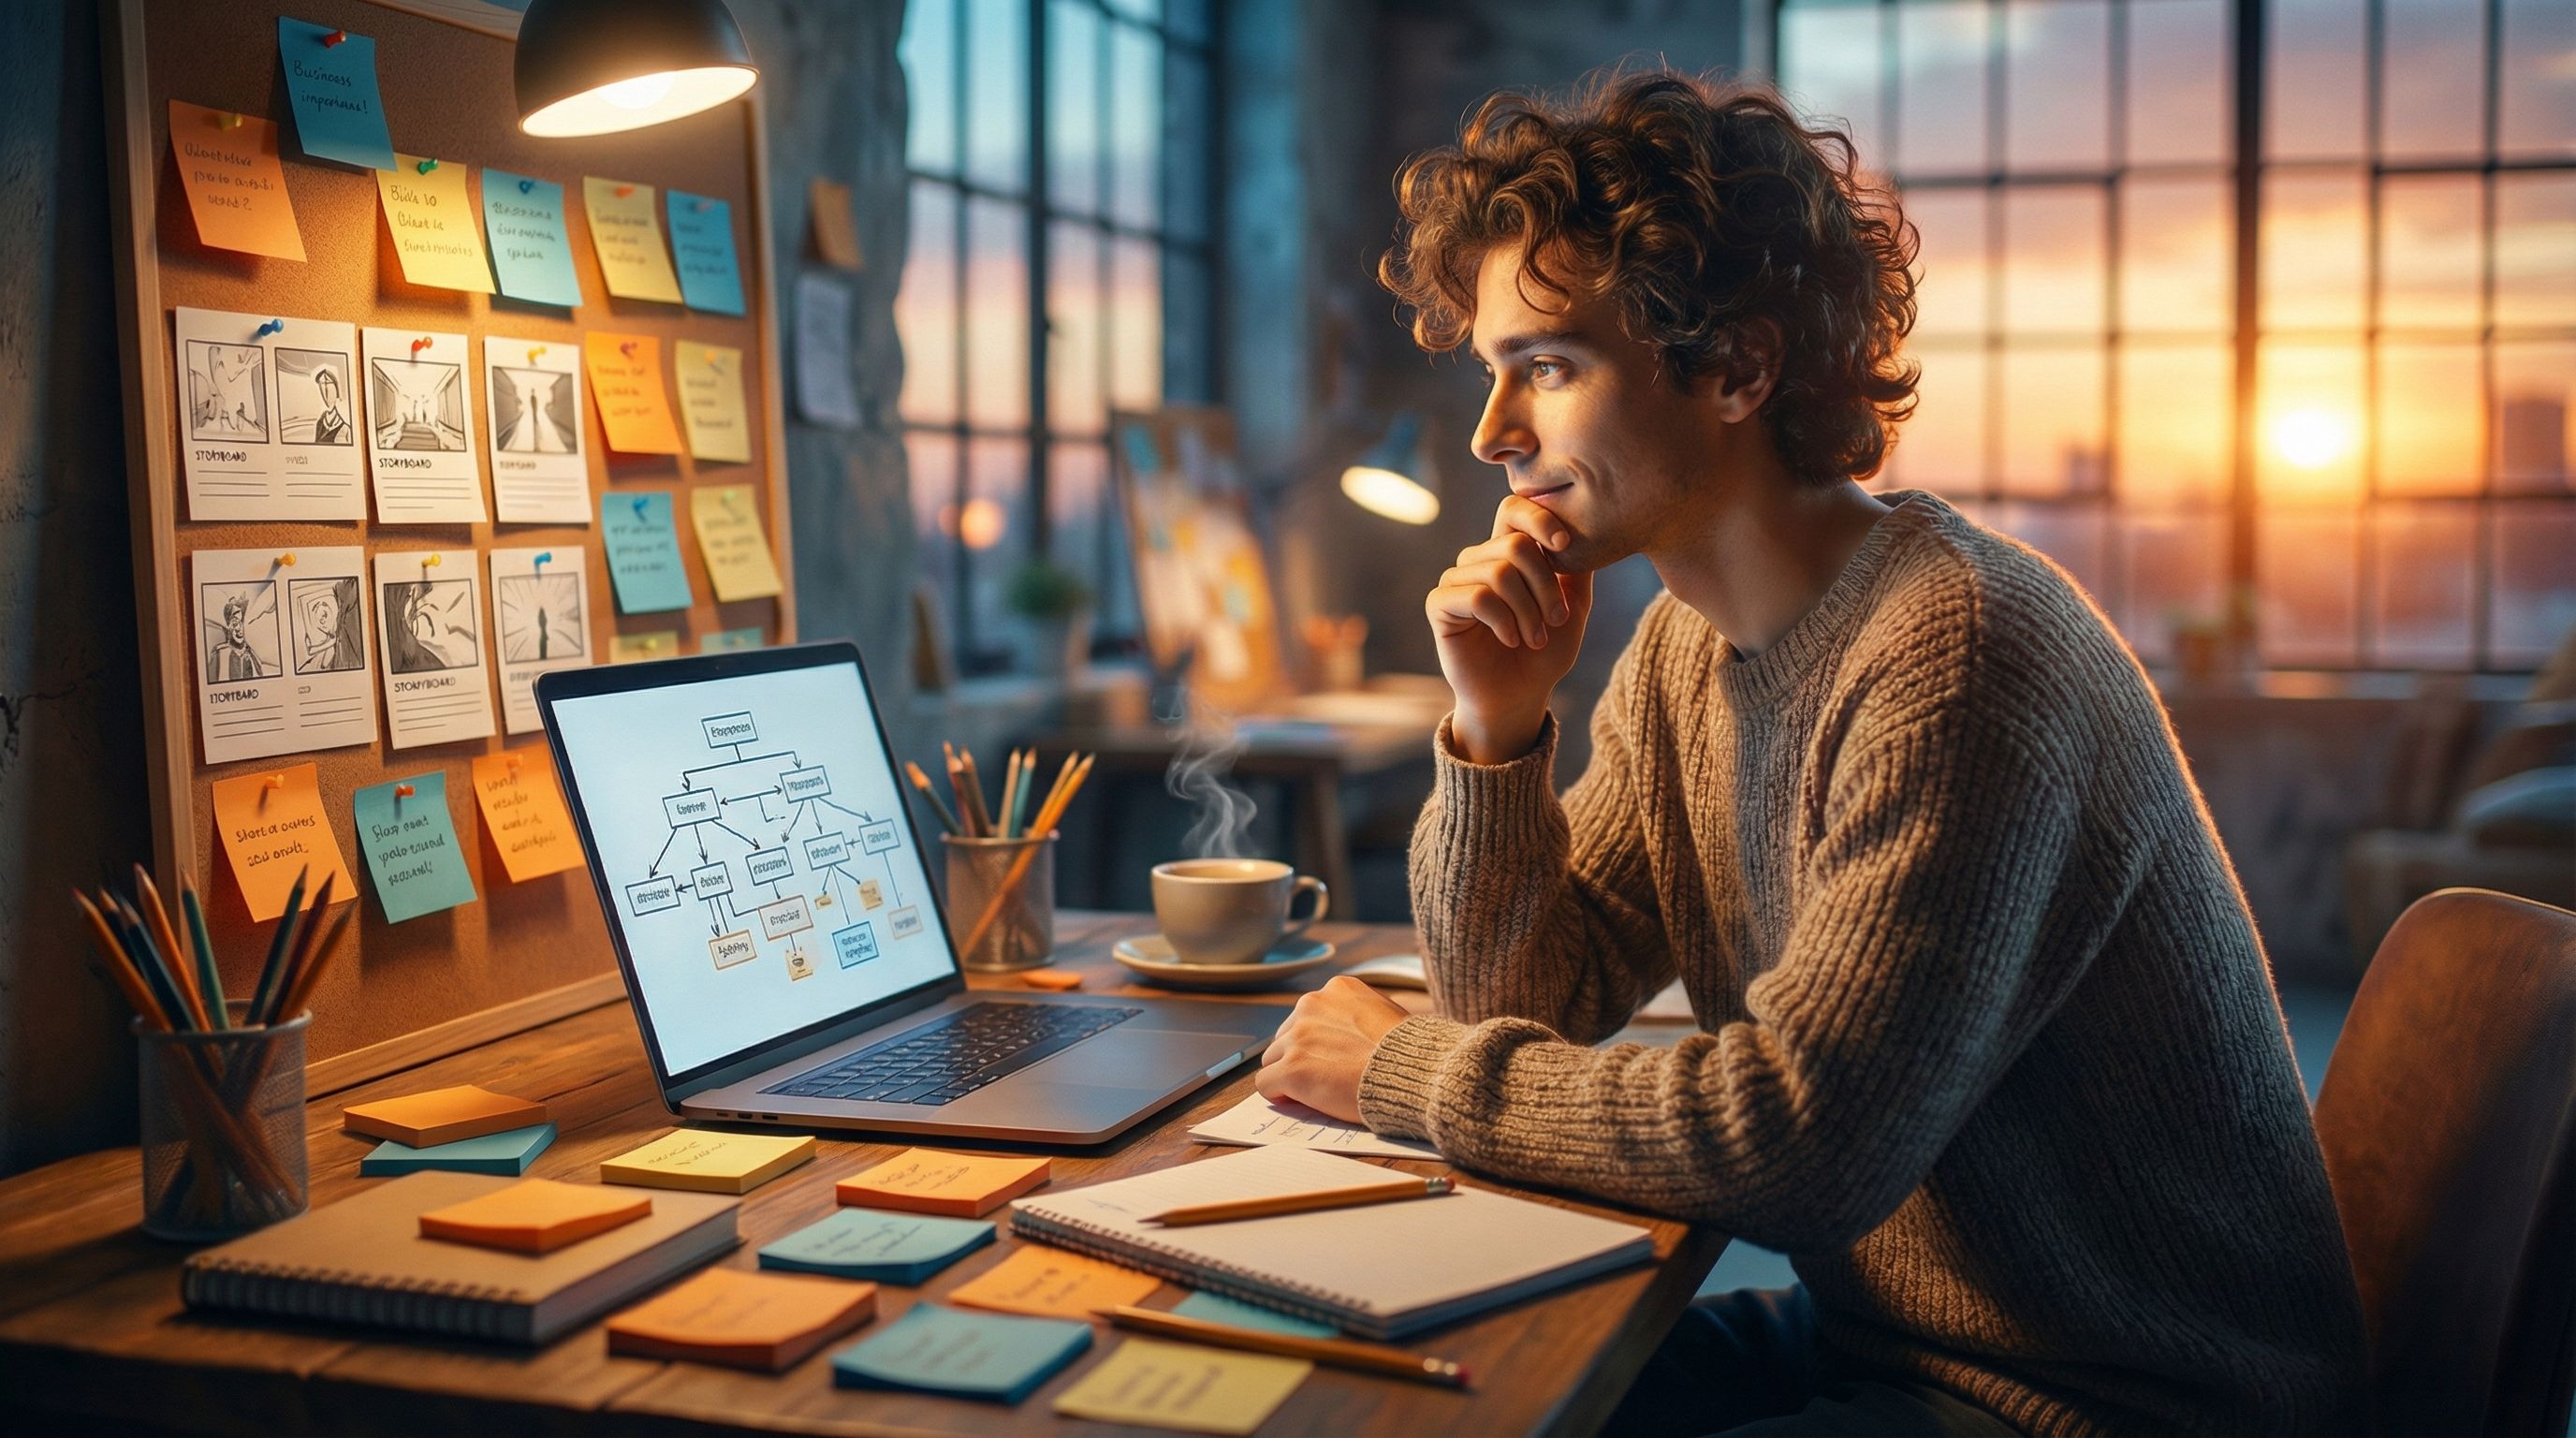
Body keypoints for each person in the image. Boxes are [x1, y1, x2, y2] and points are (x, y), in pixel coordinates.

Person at [1251, 69, 2366, 1434]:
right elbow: (1526, 1000)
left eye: (1546, 366)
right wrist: (1499, 733)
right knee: (1408, 1404)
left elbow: (1796, 1149)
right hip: (1897, 1343)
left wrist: (1395, 1070)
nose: (1495, 436)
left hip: (2113, 1399)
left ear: (1737, 365)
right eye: (1496, 375)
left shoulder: (1958, 648)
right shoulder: (1678, 655)